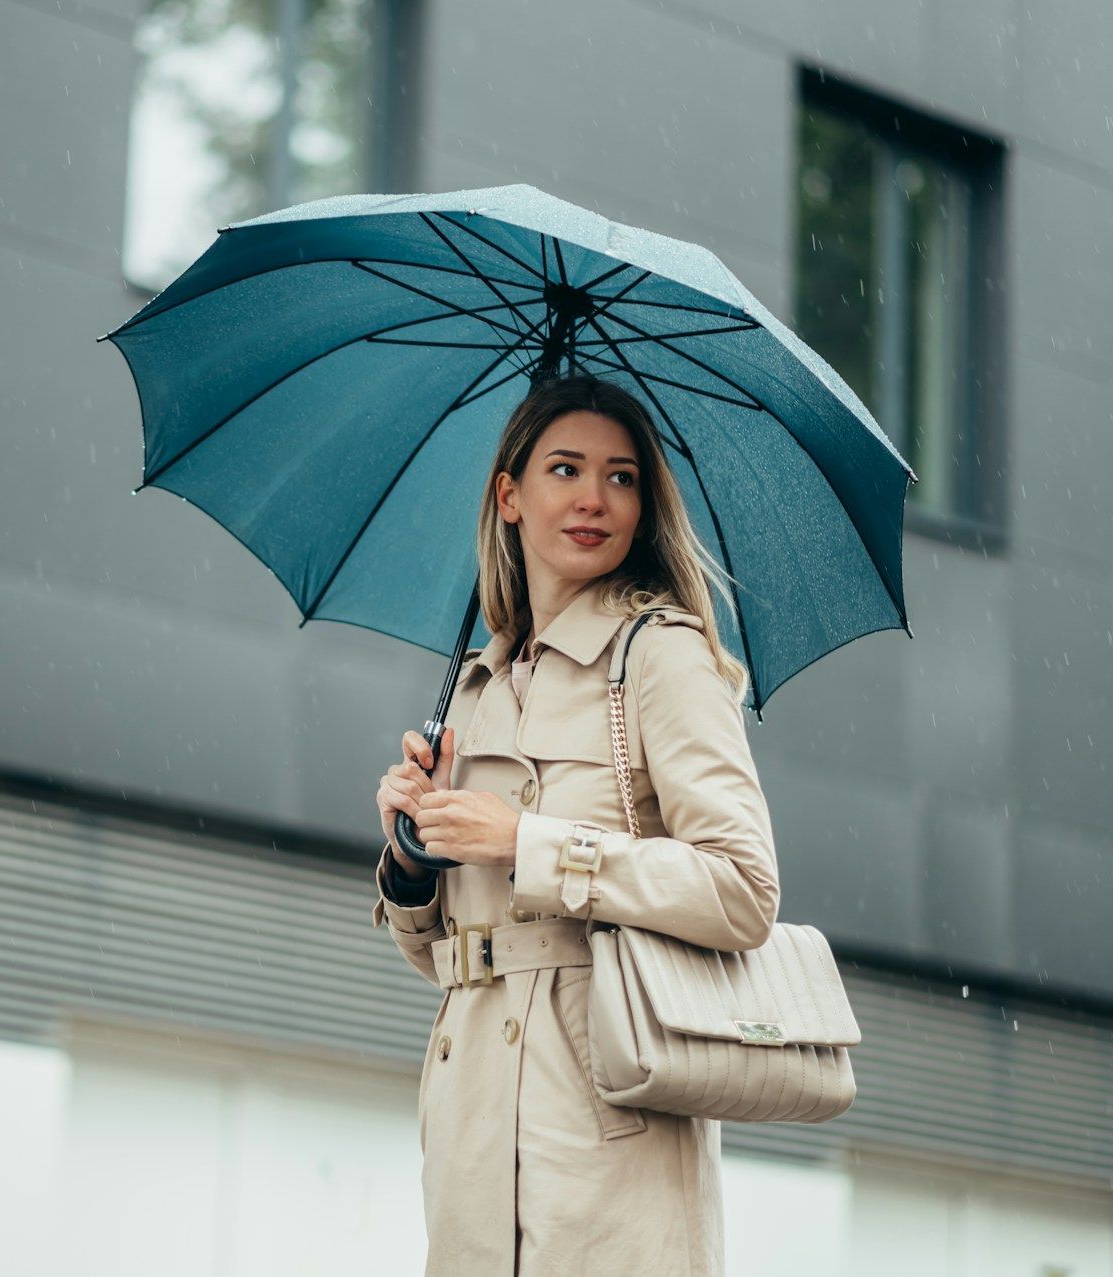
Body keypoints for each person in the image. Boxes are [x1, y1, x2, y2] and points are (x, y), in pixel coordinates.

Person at [370, 373, 781, 1276]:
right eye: (566, 469)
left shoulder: (663, 655)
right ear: (509, 495)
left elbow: (744, 889)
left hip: (606, 1138)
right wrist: (412, 851)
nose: (596, 498)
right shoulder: (474, 689)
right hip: (470, 1137)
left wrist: (525, 842)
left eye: (623, 476)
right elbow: (449, 953)